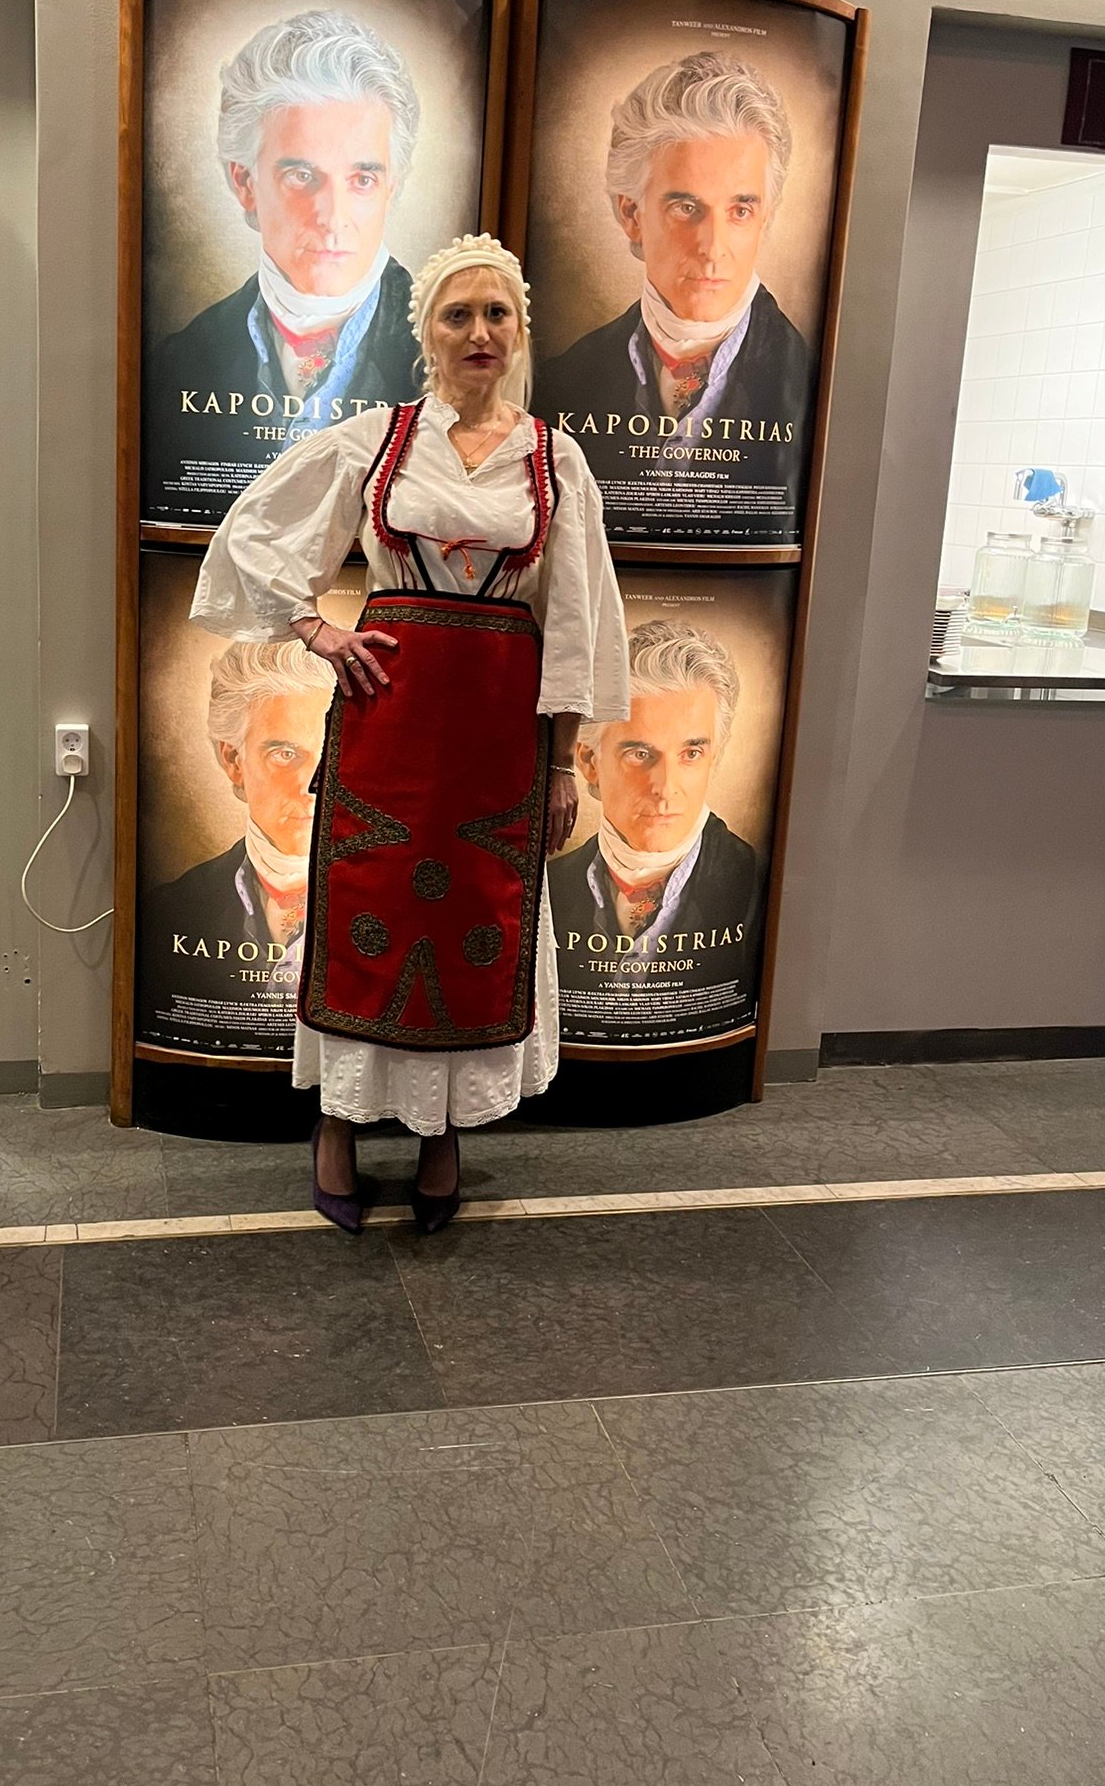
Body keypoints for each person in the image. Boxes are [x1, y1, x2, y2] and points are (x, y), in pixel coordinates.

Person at [191, 232, 629, 1231]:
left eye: (497, 313)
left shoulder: (554, 458)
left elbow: (576, 622)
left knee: (479, 915)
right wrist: (314, 628)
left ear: (519, 330)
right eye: (457, 314)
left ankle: (443, 1134)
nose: (480, 332)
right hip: (386, 728)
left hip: (499, 742)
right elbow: (256, 534)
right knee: (368, 909)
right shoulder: (377, 441)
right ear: (425, 332)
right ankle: (337, 1127)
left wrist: (563, 761)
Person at [534, 50, 813, 508]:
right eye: (686, 207)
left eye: (740, 211)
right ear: (632, 214)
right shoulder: (558, 384)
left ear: (765, 219)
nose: (713, 247)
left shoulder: (812, 385)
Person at [148, 9, 422, 447]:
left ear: (391, 187)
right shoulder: (176, 366)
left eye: (362, 180)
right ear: (245, 182)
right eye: (302, 176)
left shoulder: (453, 363)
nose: (332, 218)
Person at [139, 638, 334, 1047]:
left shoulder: (398, 906)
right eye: (285, 754)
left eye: (332, 752)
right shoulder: (169, 911)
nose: (311, 785)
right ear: (233, 760)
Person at [549, 617, 759, 985]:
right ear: (589, 761)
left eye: (691, 753)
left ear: (714, 759)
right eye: (640, 754)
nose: (665, 788)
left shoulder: (757, 882)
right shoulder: (549, 886)